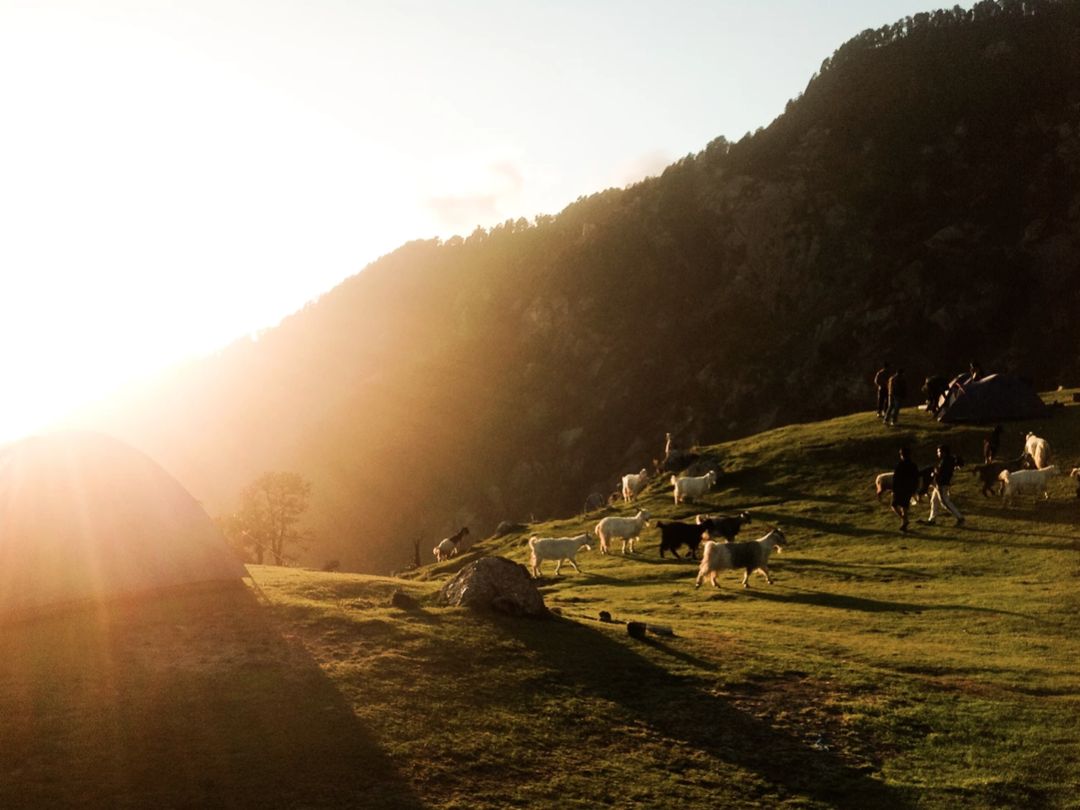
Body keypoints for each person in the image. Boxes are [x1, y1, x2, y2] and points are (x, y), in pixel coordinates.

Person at [926, 444, 964, 525]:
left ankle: (960, 517)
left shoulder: (945, 462)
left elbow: (942, 474)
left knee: (944, 502)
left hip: (941, 484)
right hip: (940, 483)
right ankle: (932, 520)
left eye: (939, 451)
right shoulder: (949, 460)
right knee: (934, 500)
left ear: (943, 452)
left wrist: (934, 474)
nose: (937, 453)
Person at [891, 447, 920, 532]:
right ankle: (904, 523)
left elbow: (896, 477)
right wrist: (914, 489)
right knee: (904, 505)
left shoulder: (900, 465)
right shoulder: (913, 465)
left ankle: (903, 519)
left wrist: (894, 489)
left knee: (893, 505)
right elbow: (916, 478)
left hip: (900, 488)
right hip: (909, 488)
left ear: (901, 455)